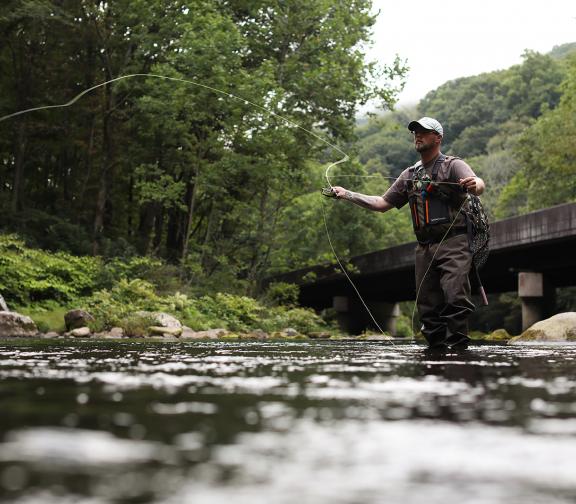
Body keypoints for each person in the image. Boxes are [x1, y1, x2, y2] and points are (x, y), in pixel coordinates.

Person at [331, 117, 485, 351]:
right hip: (423, 248)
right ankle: (435, 355)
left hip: (454, 241)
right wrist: (347, 194)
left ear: (438, 138)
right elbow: (381, 203)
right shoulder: (409, 174)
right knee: (427, 307)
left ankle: (460, 354)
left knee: (455, 297)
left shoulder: (453, 165)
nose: (417, 135)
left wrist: (475, 185)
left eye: (423, 132)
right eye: (415, 132)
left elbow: (478, 183)